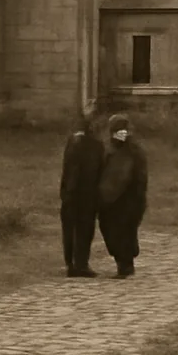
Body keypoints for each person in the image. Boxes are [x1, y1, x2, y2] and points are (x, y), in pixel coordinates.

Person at [97, 113, 148, 278]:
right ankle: (126, 262)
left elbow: (124, 176)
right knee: (120, 231)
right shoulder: (115, 149)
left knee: (120, 231)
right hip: (125, 199)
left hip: (124, 199)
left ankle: (125, 265)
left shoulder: (131, 150)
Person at [59, 100, 104, 278]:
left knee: (72, 228)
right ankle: (79, 264)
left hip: (73, 192)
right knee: (83, 228)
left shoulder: (75, 141)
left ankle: (73, 264)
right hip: (84, 191)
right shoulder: (91, 145)